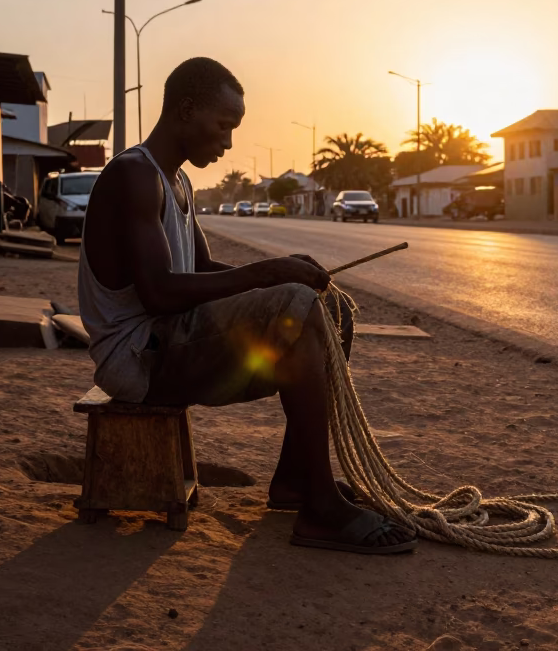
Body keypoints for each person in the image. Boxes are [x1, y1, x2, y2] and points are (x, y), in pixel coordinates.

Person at [78, 58, 416, 555]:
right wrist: (268, 278)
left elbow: (202, 269)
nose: (228, 143)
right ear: (186, 111)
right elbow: (159, 293)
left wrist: (279, 268)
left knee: (329, 309)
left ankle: (297, 481)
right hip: (136, 357)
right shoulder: (133, 175)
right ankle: (320, 507)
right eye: (223, 127)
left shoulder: (177, 181)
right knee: (295, 307)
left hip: (169, 341)